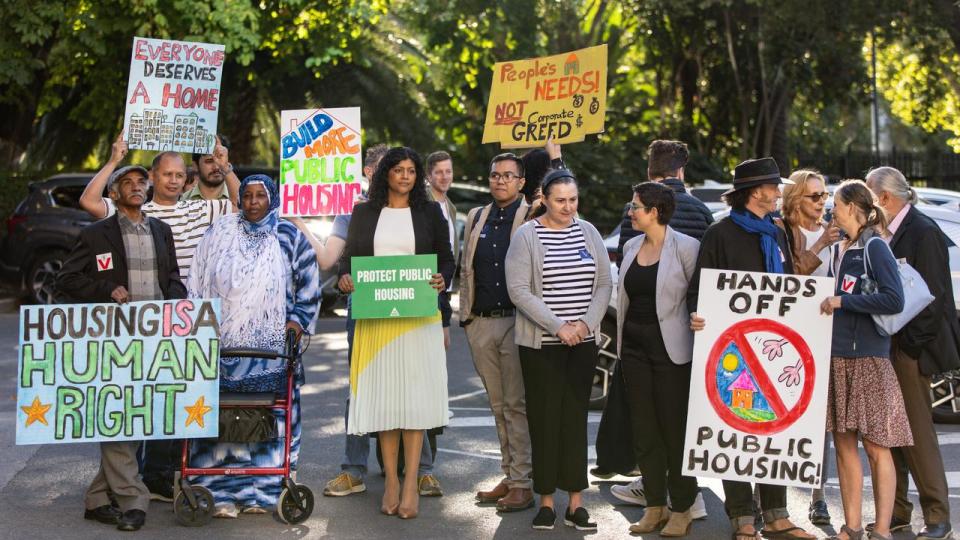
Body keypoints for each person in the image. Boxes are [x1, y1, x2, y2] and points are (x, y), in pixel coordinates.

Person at [77, 132, 239, 501]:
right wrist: (115, 158)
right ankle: (128, 478)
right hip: (135, 322)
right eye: (166, 174)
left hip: (186, 319)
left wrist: (224, 164)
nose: (173, 180)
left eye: (179, 175)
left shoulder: (198, 208)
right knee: (136, 400)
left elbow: (239, 200)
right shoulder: (134, 209)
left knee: (173, 399)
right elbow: (89, 200)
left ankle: (158, 475)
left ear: (188, 180)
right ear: (153, 177)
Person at [688, 157, 815, 540]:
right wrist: (698, 316)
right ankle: (742, 516)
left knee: (774, 429)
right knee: (736, 427)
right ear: (756, 191)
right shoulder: (719, 234)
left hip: (774, 350)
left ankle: (777, 515)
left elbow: (788, 286)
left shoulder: (775, 233)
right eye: (775, 187)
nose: (780, 193)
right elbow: (701, 289)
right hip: (734, 353)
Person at [56, 165, 187, 532]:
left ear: (147, 190)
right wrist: (106, 290)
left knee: (137, 413)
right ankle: (134, 499)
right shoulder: (97, 234)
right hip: (114, 341)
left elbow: (173, 278)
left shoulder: (162, 231)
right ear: (114, 194)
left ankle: (98, 498)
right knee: (117, 413)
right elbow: (65, 278)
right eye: (125, 183)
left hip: (155, 339)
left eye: (140, 182)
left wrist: (176, 304)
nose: (134, 187)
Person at [186, 174, 320, 517]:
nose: (254, 202)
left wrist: (297, 323)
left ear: (271, 198)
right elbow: (197, 280)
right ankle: (221, 493)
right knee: (221, 422)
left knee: (269, 419)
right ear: (240, 199)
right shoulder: (218, 233)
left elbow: (308, 284)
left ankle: (263, 492)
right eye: (247, 195)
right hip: (222, 349)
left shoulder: (289, 235)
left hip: (271, 353)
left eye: (261, 195)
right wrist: (197, 327)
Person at [337, 147, 453, 519]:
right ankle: (389, 481)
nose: (405, 176)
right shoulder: (363, 212)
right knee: (386, 399)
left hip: (419, 320)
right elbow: (348, 259)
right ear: (384, 173)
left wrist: (442, 280)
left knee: (414, 401)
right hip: (376, 321)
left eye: (411, 171)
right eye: (398, 170)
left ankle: (410, 484)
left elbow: (446, 259)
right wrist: (344, 277)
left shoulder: (430, 211)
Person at [505, 169, 612, 531]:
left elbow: (603, 283)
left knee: (575, 420)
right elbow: (519, 290)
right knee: (545, 421)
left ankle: (576, 502)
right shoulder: (527, 236)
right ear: (545, 200)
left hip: (582, 346)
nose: (568, 207)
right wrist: (559, 326)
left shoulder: (589, 233)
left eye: (573, 199)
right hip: (542, 348)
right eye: (561, 200)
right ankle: (547, 501)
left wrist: (583, 326)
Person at [866, 167, 960, 540]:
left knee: (918, 436)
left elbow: (934, 298)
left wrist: (908, 349)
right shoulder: (883, 232)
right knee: (889, 435)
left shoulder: (923, 232)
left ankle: (938, 517)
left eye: (870, 198)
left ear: (884, 198)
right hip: (886, 347)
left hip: (908, 351)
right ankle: (899, 513)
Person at [817, 179, 911, 540]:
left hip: (869, 358)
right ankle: (852, 526)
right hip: (838, 357)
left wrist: (845, 301)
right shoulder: (842, 249)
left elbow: (894, 300)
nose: (832, 212)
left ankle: (882, 529)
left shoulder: (875, 247)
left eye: (837, 206)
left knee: (875, 446)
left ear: (853, 208)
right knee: (843, 446)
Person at [616, 182, 700, 537]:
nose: (630, 212)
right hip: (633, 348)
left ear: (655, 211)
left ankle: (682, 508)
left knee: (674, 430)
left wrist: (699, 315)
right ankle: (654, 506)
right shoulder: (631, 245)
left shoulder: (687, 247)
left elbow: (698, 294)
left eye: (636, 206)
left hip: (672, 351)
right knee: (644, 430)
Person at [316, 143, 392, 498]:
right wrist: (298, 222)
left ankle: (415, 470)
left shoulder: (413, 211)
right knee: (360, 389)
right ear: (367, 172)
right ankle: (354, 469)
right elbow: (328, 260)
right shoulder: (351, 212)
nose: (390, 175)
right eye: (380, 169)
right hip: (363, 310)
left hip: (405, 309)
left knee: (409, 384)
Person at [460, 152, 534, 512]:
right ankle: (511, 474)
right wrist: (466, 319)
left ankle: (523, 482)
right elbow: (465, 268)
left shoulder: (533, 214)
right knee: (497, 404)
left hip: (518, 322)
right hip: (482, 322)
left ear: (521, 182)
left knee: (516, 405)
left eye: (508, 175)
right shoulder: (477, 216)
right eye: (494, 175)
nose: (500, 180)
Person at [779, 169, 840, 526]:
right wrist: (819, 245)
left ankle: (818, 497)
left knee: (821, 422)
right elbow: (794, 277)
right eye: (814, 196)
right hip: (787, 334)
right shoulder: (784, 230)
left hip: (824, 334)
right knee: (778, 415)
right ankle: (769, 497)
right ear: (796, 199)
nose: (822, 203)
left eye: (824, 195)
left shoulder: (838, 229)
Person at [617, 140, 713, 259]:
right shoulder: (701, 210)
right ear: (680, 172)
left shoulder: (633, 209)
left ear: (649, 172)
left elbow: (624, 260)